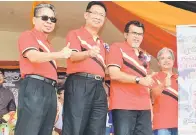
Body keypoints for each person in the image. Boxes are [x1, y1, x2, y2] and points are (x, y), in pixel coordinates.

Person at [15, 3, 72, 135]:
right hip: (35, 86)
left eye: (53, 19)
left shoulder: (48, 45)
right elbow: (33, 56)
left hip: (50, 89)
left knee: (46, 130)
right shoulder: (28, 35)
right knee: (29, 129)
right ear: (34, 20)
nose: (49, 22)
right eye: (45, 18)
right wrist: (60, 54)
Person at [62, 1, 108, 135]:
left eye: (102, 15)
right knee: (75, 127)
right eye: (95, 13)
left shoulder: (102, 42)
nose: (98, 17)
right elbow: (72, 55)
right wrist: (88, 53)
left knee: (97, 128)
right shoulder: (75, 34)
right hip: (80, 83)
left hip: (99, 86)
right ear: (86, 15)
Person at [107, 20, 154, 135]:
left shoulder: (144, 56)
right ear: (126, 34)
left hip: (144, 108)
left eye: (140, 34)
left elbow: (146, 84)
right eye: (134, 33)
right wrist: (138, 80)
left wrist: (150, 108)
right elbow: (113, 73)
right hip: (124, 105)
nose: (137, 37)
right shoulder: (117, 47)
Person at [151, 48, 178, 135]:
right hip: (161, 124)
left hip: (180, 123)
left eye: (169, 58)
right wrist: (163, 85)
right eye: (162, 58)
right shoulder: (154, 77)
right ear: (158, 63)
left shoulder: (181, 78)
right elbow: (152, 95)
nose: (166, 61)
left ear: (173, 61)